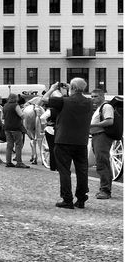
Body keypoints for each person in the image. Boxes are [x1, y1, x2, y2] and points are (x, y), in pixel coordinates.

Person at [41, 79, 93, 209]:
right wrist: (74, 88)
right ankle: (81, 198)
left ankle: (67, 199)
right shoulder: (88, 102)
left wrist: (53, 88)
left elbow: (44, 99)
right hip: (81, 141)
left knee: (64, 170)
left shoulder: (63, 101)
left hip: (63, 140)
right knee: (82, 170)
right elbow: (79, 97)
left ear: (73, 87)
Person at [89, 88, 116, 200]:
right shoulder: (99, 108)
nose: (93, 98)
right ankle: (104, 189)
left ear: (102, 96)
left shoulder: (106, 107)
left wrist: (93, 126)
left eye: (96, 96)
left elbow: (110, 121)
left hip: (102, 136)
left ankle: (105, 190)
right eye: (92, 96)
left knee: (102, 163)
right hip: (97, 137)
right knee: (101, 162)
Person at [4, 95, 28, 168]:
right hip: (16, 127)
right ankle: (19, 162)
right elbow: (22, 115)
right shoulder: (16, 105)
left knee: (9, 145)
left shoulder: (5, 105)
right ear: (16, 99)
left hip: (7, 127)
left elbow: (3, 116)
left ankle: (8, 161)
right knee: (18, 145)